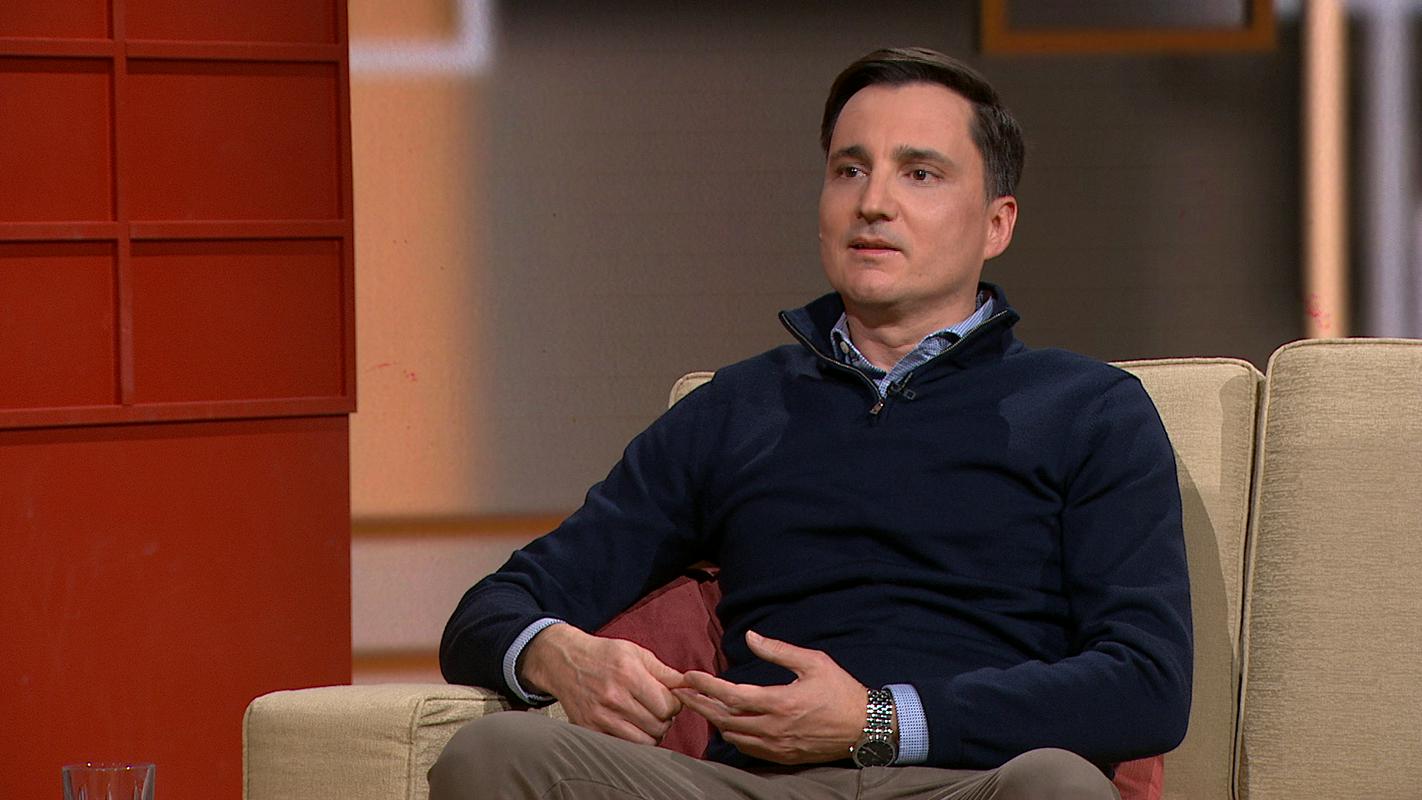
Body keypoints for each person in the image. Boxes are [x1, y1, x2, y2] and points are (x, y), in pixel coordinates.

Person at [431, 46, 1192, 800]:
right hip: (752, 784)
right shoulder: (737, 408)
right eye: (849, 170)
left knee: (1058, 788)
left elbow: (1148, 684)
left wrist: (878, 720)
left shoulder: (1090, 410)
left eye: (919, 174)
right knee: (495, 754)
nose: (873, 203)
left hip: (975, 782)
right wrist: (558, 655)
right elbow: (491, 609)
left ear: (997, 224)